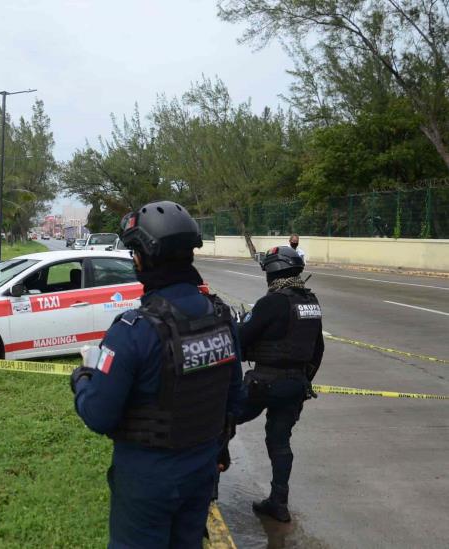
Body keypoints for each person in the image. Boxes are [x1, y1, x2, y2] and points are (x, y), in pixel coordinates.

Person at [70, 200, 243, 548]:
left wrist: (82, 380)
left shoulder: (133, 330)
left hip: (147, 481)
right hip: (201, 472)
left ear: (142, 258)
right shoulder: (222, 319)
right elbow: (235, 401)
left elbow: (99, 415)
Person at [237, 245, 324, 522]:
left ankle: (209, 487)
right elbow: (318, 350)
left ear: (271, 272)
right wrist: (303, 381)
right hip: (295, 385)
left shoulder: (271, 302)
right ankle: (279, 502)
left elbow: (241, 339)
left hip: (264, 383)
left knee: (222, 418)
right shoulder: (311, 302)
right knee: (279, 439)